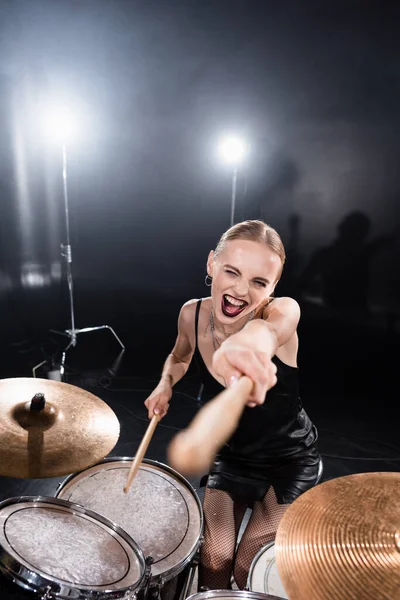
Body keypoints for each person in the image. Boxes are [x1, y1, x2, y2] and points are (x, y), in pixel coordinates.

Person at [144, 220, 321, 590]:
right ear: (211, 264)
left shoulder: (282, 312)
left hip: (288, 461)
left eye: (259, 282)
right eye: (232, 271)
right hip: (232, 456)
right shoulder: (191, 314)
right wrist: (165, 383)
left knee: (249, 568)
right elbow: (179, 355)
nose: (241, 290)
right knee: (214, 559)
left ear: (272, 288)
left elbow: (267, 333)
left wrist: (246, 346)